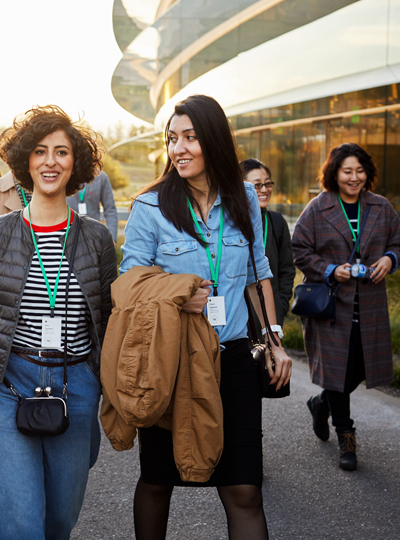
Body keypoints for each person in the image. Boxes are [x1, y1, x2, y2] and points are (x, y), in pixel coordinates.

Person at [119, 94, 292, 540]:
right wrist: (175, 294)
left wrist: (273, 340)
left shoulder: (244, 201)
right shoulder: (150, 207)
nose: (179, 148)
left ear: (213, 140)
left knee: (244, 490)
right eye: (173, 139)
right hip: (172, 361)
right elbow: (129, 283)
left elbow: (259, 276)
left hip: (234, 360)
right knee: (158, 482)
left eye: (190, 138)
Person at [0, 105, 117, 539]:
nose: (50, 161)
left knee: (58, 521)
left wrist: (114, 387)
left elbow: (108, 319)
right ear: (25, 160)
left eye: (61, 152)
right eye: (40, 151)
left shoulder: (96, 238)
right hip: (5, 382)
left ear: (75, 163)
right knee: (18, 524)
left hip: (75, 382)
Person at [293, 143, 400, 471]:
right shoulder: (317, 207)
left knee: (364, 368)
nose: (354, 178)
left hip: (370, 305)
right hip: (331, 306)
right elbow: (300, 248)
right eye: (347, 171)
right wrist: (329, 270)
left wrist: (389, 258)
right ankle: (346, 435)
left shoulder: (381, 207)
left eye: (360, 171)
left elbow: (398, 241)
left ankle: (321, 402)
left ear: (367, 173)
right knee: (339, 370)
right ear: (334, 173)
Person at [240, 159, 295, 336]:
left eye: (267, 183)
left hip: (271, 319)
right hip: (239, 321)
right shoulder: (230, 223)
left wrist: (281, 306)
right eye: (257, 185)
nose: (264, 190)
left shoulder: (277, 222)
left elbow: (286, 270)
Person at [66, 170, 118, 243]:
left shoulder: (101, 177)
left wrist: (112, 238)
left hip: (94, 238)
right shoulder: (65, 175)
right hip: (68, 238)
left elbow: (110, 209)